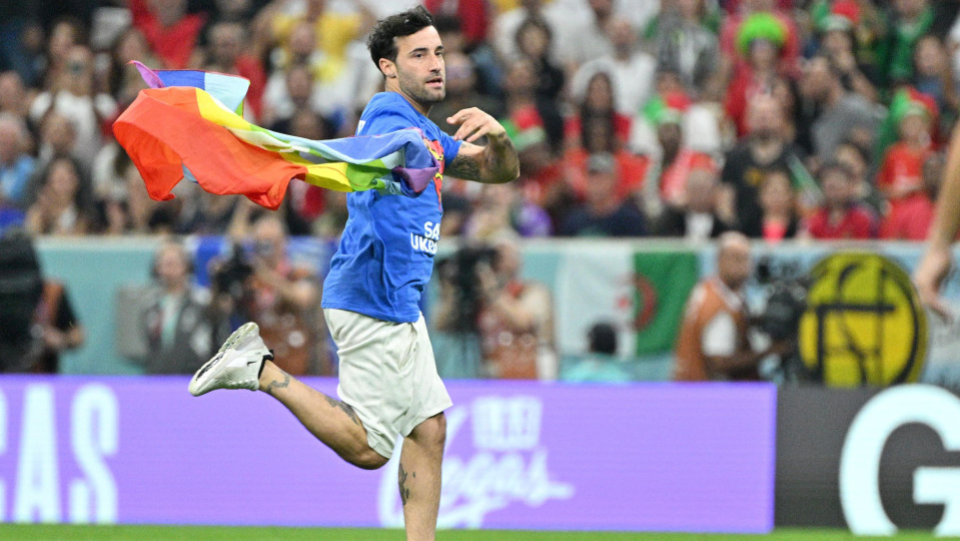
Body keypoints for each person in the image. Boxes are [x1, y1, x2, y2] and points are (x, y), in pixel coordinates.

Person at [187, 7, 519, 541]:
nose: (437, 64)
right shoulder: (391, 121)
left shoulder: (424, 131)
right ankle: (259, 368)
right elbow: (370, 155)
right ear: (389, 68)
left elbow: (499, 171)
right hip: (371, 295)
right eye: (420, 55)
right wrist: (380, 160)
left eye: (438, 52)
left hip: (398, 303)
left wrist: (499, 138)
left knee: (428, 430)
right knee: (369, 448)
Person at [673, 232, 786, 381]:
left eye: (745, 258)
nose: (742, 266)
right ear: (719, 260)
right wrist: (772, 350)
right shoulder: (719, 307)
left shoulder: (708, 287)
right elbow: (719, 362)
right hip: (704, 391)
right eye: (735, 258)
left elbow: (739, 318)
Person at [139, 240, 215, 374]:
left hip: (193, 376)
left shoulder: (203, 302)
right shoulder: (150, 305)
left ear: (186, 266)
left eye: (173, 264)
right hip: (158, 377)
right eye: (164, 264)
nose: (168, 270)